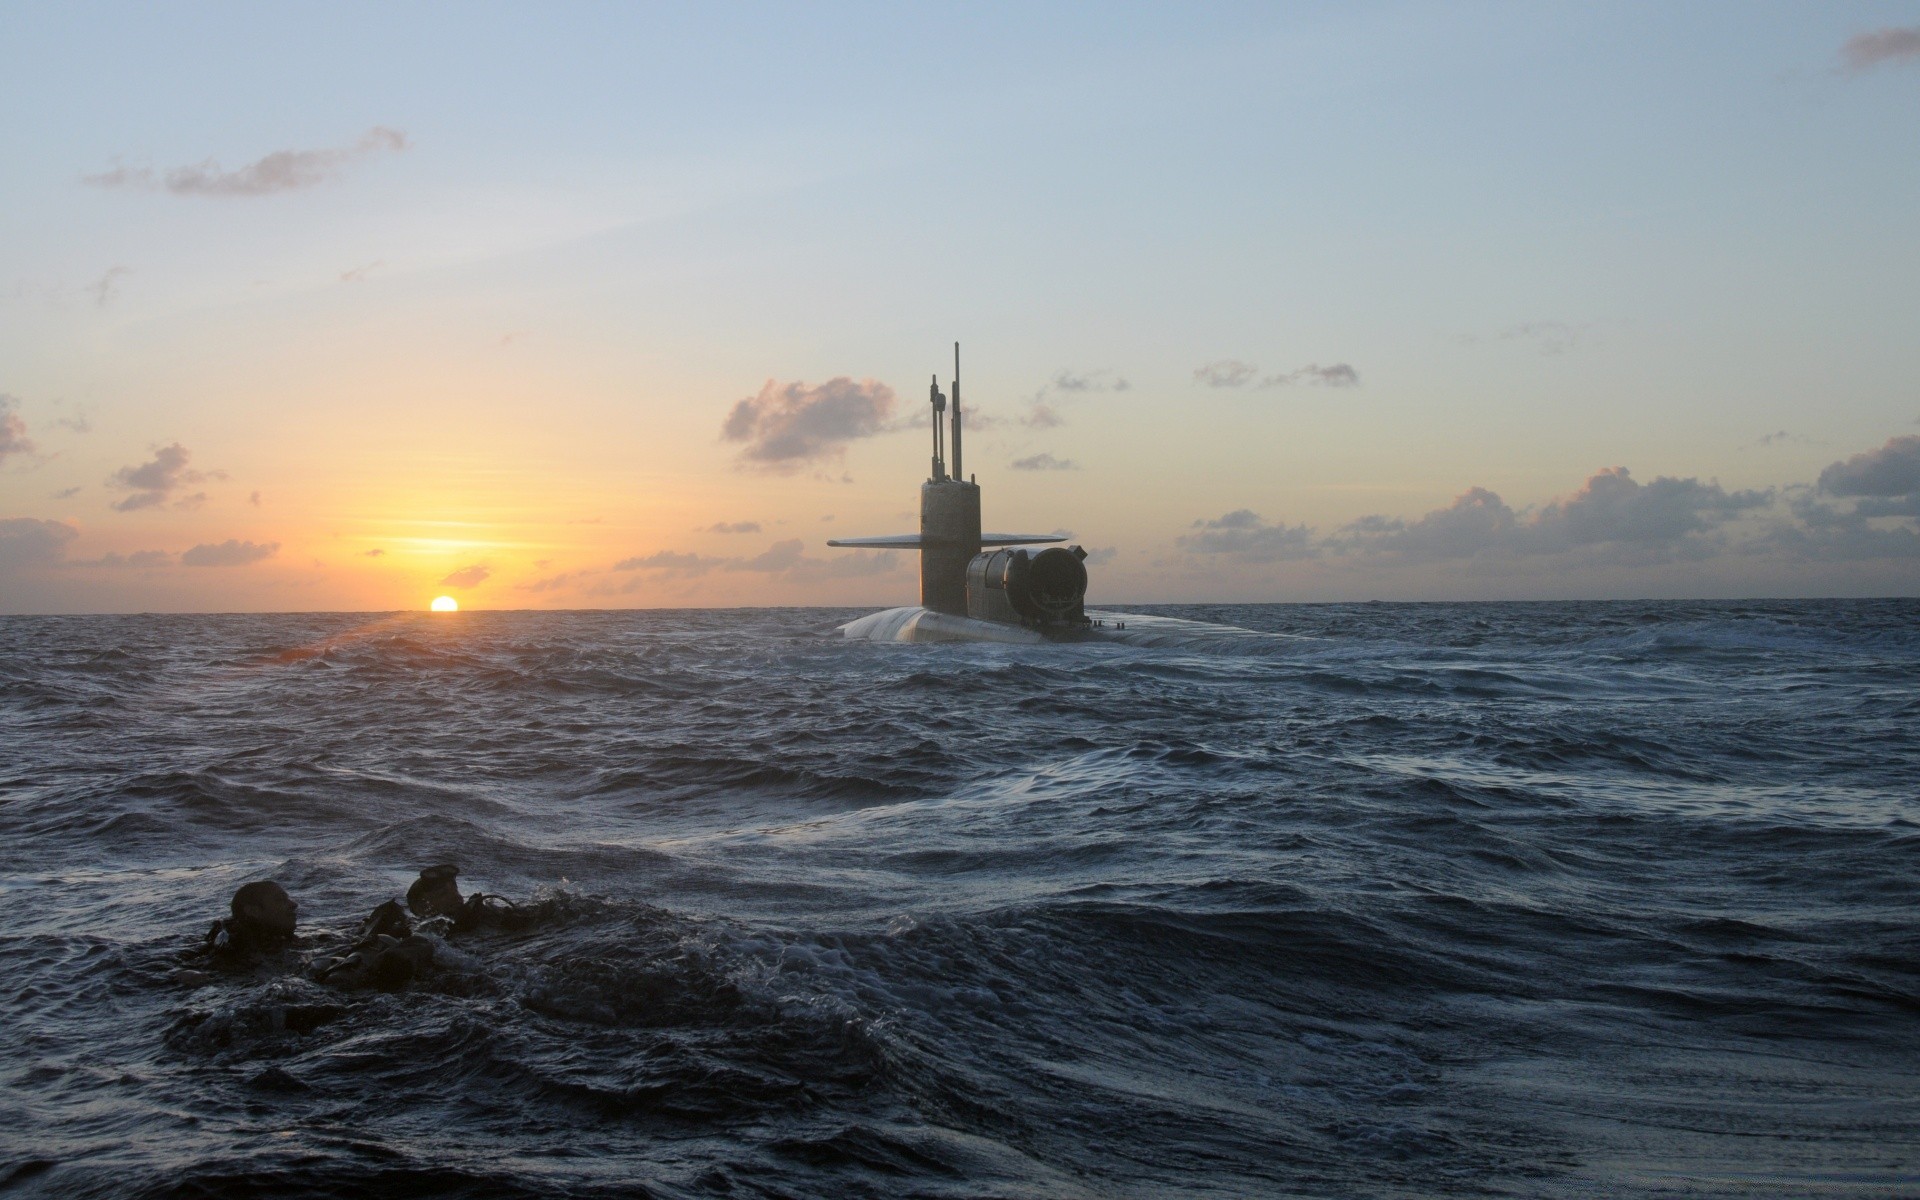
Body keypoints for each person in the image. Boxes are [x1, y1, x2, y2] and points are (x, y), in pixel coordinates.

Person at [203, 880, 298, 957]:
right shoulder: (234, 950)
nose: (294, 904)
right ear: (253, 911)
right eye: (280, 899)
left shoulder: (280, 940)